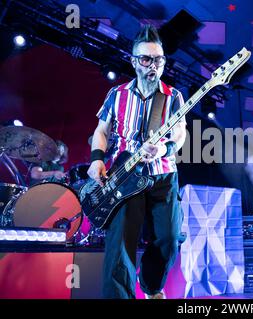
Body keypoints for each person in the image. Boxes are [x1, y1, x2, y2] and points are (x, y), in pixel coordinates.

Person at [87, 25, 187, 299]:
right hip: (125, 175)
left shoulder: (173, 96)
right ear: (134, 62)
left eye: (159, 60)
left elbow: (180, 135)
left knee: (169, 239)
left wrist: (164, 149)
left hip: (163, 175)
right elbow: (101, 131)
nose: (153, 65)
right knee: (120, 245)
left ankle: (151, 287)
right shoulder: (117, 95)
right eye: (146, 59)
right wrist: (97, 159)